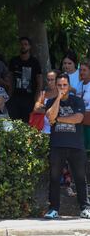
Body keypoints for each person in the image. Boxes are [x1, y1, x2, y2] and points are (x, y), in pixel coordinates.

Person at [44, 73, 90, 219]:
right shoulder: (51, 101)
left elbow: (78, 118)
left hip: (76, 146)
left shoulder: (77, 101)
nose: (62, 88)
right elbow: (50, 116)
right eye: (59, 85)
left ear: (69, 86)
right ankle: (53, 209)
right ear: (56, 86)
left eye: (65, 85)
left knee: (80, 177)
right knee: (55, 177)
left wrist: (59, 119)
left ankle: (85, 207)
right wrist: (58, 97)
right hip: (57, 145)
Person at [8, 37, 43, 122]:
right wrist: (9, 97)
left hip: (29, 99)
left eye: (25, 44)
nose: (23, 46)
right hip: (15, 98)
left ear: (30, 46)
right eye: (21, 44)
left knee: (28, 124)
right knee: (14, 123)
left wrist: (37, 100)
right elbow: (10, 80)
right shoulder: (14, 61)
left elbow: (40, 82)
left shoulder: (34, 62)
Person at [33, 70, 60, 134]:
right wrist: (52, 111)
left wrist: (43, 107)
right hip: (43, 130)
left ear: (58, 80)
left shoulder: (62, 94)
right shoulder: (43, 93)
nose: (49, 82)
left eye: (52, 80)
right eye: (48, 80)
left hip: (58, 131)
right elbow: (36, 109)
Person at [78, 59, 90, 150]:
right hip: (80, 120)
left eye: (84, 70)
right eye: (80, 70)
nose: (82, 72)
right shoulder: (80, 84)